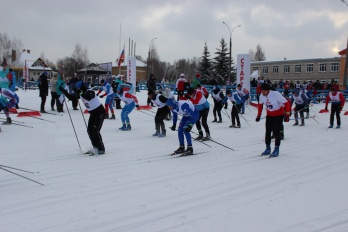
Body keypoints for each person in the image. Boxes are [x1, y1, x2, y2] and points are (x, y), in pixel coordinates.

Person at [59, 81, 105, 155]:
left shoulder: (90, 91)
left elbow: (88, 97)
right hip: (93, 113)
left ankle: (101, 149)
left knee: (95, 130)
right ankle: (95, 147)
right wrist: (64, 91)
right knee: (89, 130)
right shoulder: (80, 93)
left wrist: (79, 92)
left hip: (100, 113)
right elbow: (72, 98)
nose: (78, 89)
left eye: (79, 88)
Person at [255, 83, 291, 158]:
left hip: (279, 115)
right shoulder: (262, 95)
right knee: (267, 132)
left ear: (268, 90)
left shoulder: (276, 94)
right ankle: (268, 148)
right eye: (262, 91)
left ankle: (276, 149)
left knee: (276, 132)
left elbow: (286, 103)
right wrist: (258, 115)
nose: (262, 93)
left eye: (264, 91)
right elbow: (260, 105)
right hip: (269, 115)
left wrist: (287, 114)